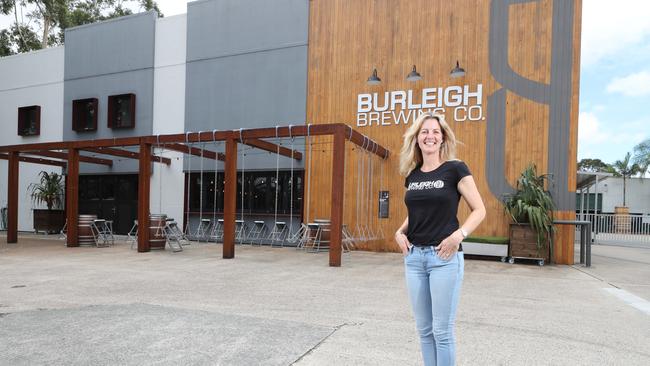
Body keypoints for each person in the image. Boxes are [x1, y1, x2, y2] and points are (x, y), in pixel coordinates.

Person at [395, 112, 485, 366]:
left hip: (444, 258)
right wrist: (399, 232)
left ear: (443, 138)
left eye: (435, 131)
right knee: (424, 330)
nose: (430, 136)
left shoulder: (455, 169)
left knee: (442, 332)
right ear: (417, 138)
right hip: (414, 260)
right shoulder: (412, 176)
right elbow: (416, 214)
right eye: (424, 132)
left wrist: (458, 236)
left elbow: (480, 210)